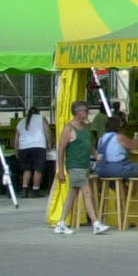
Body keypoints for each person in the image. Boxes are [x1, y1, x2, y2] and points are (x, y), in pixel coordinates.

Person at [54, 100, 107, 235]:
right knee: (87, 193)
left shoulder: (85, 128)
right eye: (85, 111)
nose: (87, 113)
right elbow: (61, 149)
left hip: (84, 165)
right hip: (75, 165)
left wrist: (95, 154)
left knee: (73, 193)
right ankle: (95, 223)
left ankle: (61, 222)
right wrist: (61, 170)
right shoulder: (69, 128)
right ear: (78, 112)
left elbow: (88, 144)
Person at [15, 105, 51, 196]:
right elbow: (47, 131)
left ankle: (24, 189)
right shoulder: (41, 118)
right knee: (38, 169)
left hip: (23, 148)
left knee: (27, 169)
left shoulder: (21, 121)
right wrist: (49, 143)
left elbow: (16, 138)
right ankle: (35, 190)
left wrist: (16, 150)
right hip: (38, 146)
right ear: (38, 112)